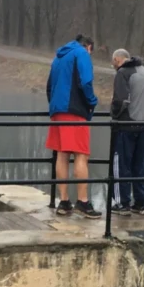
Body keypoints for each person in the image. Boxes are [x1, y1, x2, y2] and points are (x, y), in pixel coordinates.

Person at [46, 34, 101, 218]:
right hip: (75, 110)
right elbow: (86, 81)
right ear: (88, 47)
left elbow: (49, 86)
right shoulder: (81, 53)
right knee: (81, 154)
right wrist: (92, 102)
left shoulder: (58, 57)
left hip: (57, 110)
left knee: (62, 154)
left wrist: (54, 105)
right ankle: (83, 201)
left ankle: (63, 201)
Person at [109, 49, 144, 216]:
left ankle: (122, 204)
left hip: (126, 126)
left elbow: (120, 100)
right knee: (139, 165)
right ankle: (141, 203)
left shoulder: (123, 73)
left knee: (122, 165)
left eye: (113, 61)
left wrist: (114, 115)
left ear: (117, 59)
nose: (113, 65)